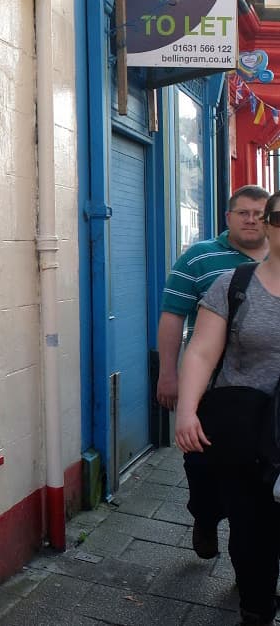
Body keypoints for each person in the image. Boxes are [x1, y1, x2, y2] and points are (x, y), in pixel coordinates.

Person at [175, 191, 280, 625]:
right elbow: (200, 352)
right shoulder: (234, 284)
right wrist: (186, 409)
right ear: (270, 226)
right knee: (251, 523)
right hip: (244, 429)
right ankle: (256, 606)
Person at [156, 184, 269, 560]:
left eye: (260, 213)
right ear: (228, 218)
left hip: (267, 395)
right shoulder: (199, 259)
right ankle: (205, 517)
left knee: (256, 484)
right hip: (210, 392)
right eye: (244, 213)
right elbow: (173, 317)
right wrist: (168, 374)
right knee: (202, 470)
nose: (252, 219)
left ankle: (254, 570)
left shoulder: (278, 257)